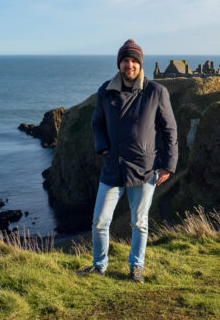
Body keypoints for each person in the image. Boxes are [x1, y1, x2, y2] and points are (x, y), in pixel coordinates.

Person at [77, 39, 177, 283]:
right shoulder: (105, 91)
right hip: (112, 167)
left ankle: (136, 267)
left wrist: (168, 165)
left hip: (144, 169)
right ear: (119, 64)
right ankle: (99, 265)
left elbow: (169, 130)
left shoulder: (156, 92)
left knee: (139, 223)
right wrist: (103, 149)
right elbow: (97, 124)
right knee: (100, 221)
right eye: (125, 60)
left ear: (140, 64)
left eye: (134, 61)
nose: (129, 65)